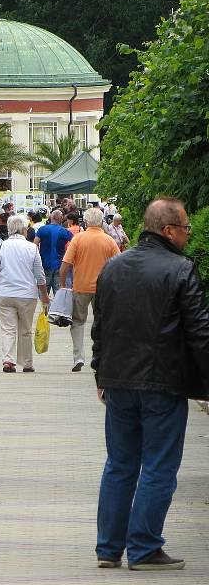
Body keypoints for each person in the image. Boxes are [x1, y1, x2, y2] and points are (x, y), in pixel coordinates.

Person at [92, 197, 209, 571]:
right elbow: (200, 332)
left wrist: (100, 373)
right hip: (163, 383)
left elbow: (100, 327)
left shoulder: (113, 267)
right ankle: (143, 548)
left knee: (120, 464)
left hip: (119, 382)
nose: (189, 234)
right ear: (169, 230)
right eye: (187, 228)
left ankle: (109, 549)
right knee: (159, 466)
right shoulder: (181, 269)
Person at [60, 207, 120, 372]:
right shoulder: (108, 241)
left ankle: (78, 358)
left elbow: (65, 264)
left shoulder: (78, 239)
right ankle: (100, 359)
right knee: (102, 322)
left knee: (78, 322)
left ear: (85, 222)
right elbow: (120, 265)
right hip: (103, 289)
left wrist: (63, 283)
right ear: (101, 222)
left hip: (81, 286)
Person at [0, 215, 49, 373]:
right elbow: (40, 275)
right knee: (26, 329)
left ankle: (8, 360)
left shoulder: (2, 246)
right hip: (27, 295)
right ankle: (27, 363)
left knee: (8, 329)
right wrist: (44, 296)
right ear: (23, 229)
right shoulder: (31, 248)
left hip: (5, 293)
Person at [33, 210, 73, 295]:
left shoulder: (42, 230)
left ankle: (45, 308)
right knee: (58, 294)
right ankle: (56, 308)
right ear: (61, 219)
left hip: (44, 264)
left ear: (51, 218)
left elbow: (34, 245)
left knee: (43, 294)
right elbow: (74, 245)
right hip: (59, 265)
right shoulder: (65, 232)